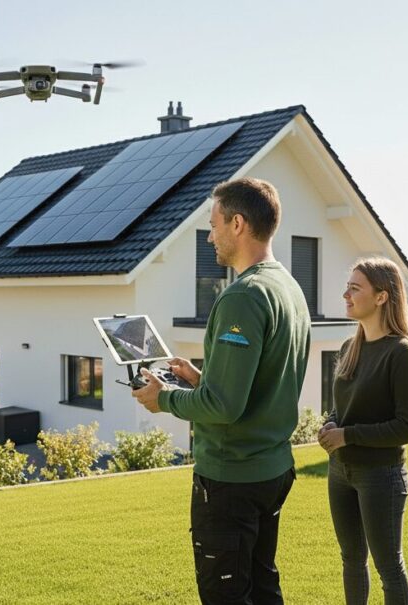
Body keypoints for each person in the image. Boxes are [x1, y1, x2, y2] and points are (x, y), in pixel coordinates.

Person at [132, 177, 311, 605]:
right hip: (270, 469)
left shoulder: (242, 297)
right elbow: (257, 378)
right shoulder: (288, 288)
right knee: (263, 588)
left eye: (212, 225)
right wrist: (202, 376)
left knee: (227, 596)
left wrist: (165, 399)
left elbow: (224, 407)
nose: (209, 236)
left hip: (232, 479)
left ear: (237, 223)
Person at [317, 258, 408, 605]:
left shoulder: (402, 353)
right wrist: (332, 423)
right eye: (348, 287)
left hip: (381, 476)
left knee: (389, 568)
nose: (345, 294)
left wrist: (348, 435)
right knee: (351, 560)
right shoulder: (351, 348)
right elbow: (344, 406)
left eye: (355, 287)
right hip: (340, 471)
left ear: (381, 296)